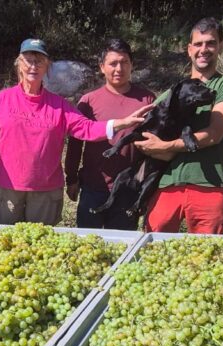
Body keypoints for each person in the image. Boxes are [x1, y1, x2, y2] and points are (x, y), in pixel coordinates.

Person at [0, 38, 153, 225]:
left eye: (39, 61)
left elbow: (87, 128)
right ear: (19, 64)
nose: (33, 66)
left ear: (47, 67)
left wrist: (122, 123)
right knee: (5, 241)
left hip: (45, 193)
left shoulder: (59, 105)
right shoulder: (3, 99)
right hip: (5, 189)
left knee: (42, 242)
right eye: (28, 60)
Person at [135, 17, 223, 234]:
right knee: (154, 246)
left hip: (208, 184)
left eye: (211, 43)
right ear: (189, 49)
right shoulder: (173, 93)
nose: (203, 49)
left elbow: (213, 134)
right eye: (198, 44)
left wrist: (165, 147)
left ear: (221, 46)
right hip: (166, 184)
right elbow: (144, 132)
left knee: (208, 250)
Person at [65, 39, 156, 230]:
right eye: (113, 63)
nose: (119, 69)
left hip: (128, 189)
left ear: (132, 65)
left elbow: (154, 145)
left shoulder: (147, 100)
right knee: (88, 243)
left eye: (124, 62)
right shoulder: (88, 101)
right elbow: (75, 144)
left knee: (122, 244)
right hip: (93, 187)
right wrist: (71, 178)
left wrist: (146, 186)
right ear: (102, 67)